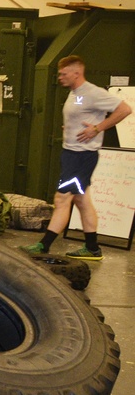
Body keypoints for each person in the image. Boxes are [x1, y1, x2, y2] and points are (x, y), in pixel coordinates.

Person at [20, 54, 131, 261]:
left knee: (62, 199)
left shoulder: (93, 93)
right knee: (82, 201)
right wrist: (70, 129)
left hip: (81, 156)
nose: (60, 77)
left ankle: (44, 245)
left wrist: (97, 128)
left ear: (76, 73)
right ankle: (92, 248)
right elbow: (80, 116)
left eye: (63, 74)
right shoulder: (75, 93)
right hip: (71, 154)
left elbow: (125, 109)